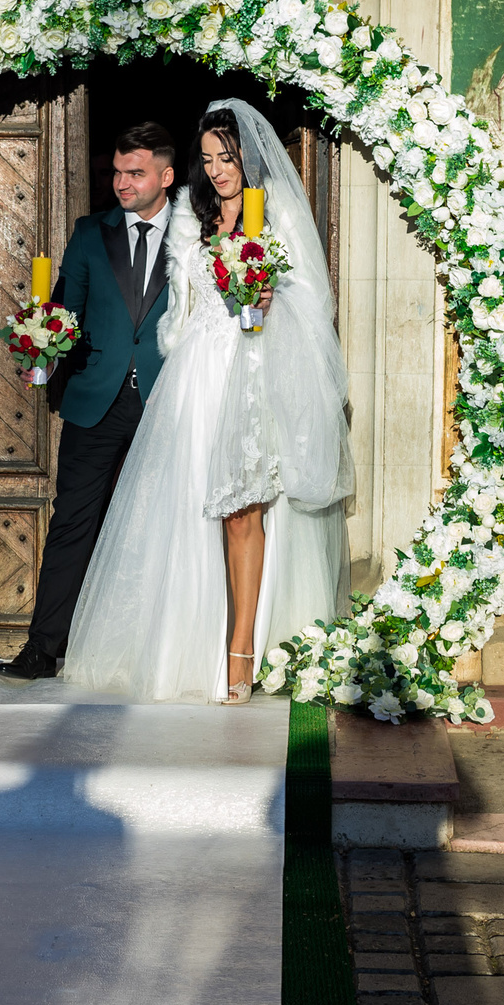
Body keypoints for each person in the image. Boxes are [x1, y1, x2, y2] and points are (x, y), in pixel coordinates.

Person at [60, 101, 352, 703]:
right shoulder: (190, 221)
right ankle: (181, 650)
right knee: (186, 517)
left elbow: (313, 308)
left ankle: (242, 651)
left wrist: (267, 301)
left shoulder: (279, 220)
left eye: (228, 157)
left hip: (250, 372)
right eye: (210, 158)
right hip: (193, 379)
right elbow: (179, 310)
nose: (219, 170)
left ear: (249, 156)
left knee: (244, 511)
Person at [0, 121, 183, 682]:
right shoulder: (88, 232)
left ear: (166, 177)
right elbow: (63, 311)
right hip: (95, 400)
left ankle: (158, 654)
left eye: (136, 173)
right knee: (72, 523)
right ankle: (42, 648)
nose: (123, 183)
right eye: (119, 173)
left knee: (164, 526)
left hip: (168, 402)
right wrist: (43, 343)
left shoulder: (198, 236)